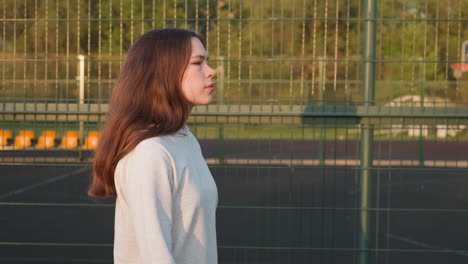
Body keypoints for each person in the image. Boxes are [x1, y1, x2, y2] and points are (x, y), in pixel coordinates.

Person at [88, 28, 218, 264]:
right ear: (165, 73)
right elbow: (155, 256)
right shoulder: (150, 153)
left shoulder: (184, 139)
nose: (211, 71)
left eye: (207, 62)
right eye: (198, 63)